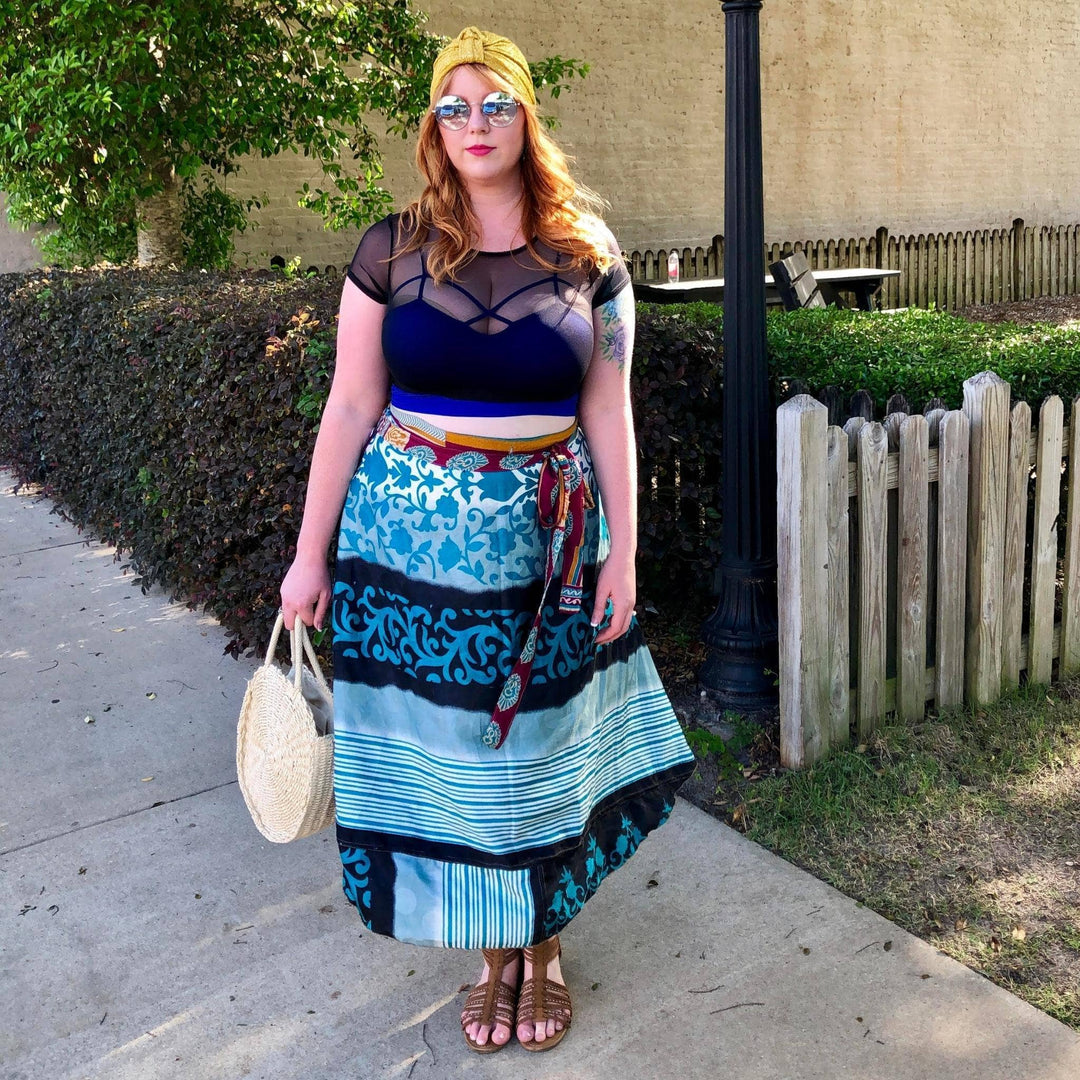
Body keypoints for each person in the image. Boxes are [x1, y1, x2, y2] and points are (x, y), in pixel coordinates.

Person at [280, 26, 694, 1055]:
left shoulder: (588, 254)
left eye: (495, 102)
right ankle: (490, 953)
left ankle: (543, 945)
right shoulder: (391, 248)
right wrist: (307, 556)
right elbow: (347, 407)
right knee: (453, 754)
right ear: (433, 124)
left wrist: (625, 550)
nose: (475, 123)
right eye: (454, 106)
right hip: (406, 552)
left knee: (541, 748)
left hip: (549, 551)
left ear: (526, 116)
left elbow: (611, 411)